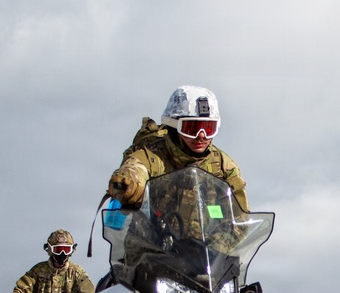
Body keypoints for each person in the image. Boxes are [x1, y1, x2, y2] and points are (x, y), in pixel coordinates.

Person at [106, 85, 248, 212]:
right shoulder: (152, 157)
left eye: (209, 128)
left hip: (205, 242)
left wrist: (220, 240)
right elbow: (135, 169)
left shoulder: (224, 167)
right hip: (149, 240)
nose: (201, 136)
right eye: (192, 129)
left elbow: (240, 218)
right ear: (174, 127)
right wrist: (129, 184)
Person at [5, 230, 95, 293]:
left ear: (72, 250)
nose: (62, 254)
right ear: (50, 250)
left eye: (66, 249)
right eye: (58, 249)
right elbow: (22, 288)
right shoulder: (39, 270)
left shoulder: (77, 272)